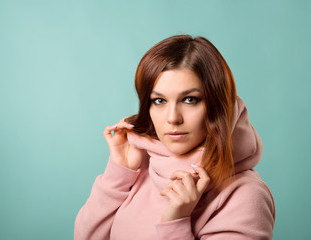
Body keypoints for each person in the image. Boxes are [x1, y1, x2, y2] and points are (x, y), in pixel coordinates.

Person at [74, 35, 275, 240]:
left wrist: (175, 223)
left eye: (190, 100)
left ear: (217, 106)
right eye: (159, 100)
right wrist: (118, 173)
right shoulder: (143, 165)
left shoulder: (246, 195)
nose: (173, 118)